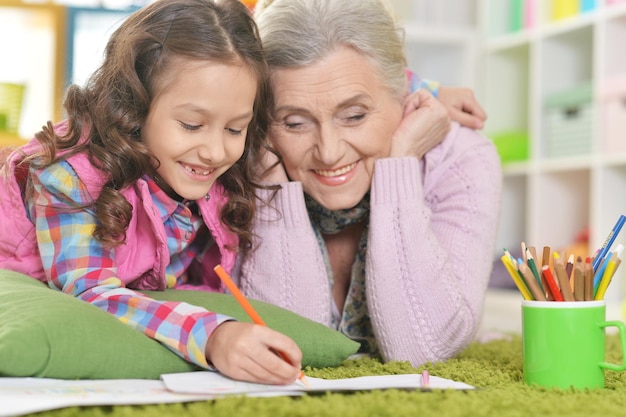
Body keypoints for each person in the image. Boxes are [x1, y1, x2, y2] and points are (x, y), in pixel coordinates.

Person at [0, 0, 302, 385]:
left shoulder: (205, 180)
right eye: (192, 125)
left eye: (235, 129)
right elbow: (89, 292)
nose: (215, 151)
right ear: (134, 108)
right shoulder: (68, 174)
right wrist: (214, 335)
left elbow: (194, 283)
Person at [235, 0, 503, 368]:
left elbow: (425, 350)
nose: (329, 153)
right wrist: (267, 179)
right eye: (295, 122)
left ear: (404, 95)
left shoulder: (461, 157)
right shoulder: (235, 159)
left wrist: (400, 166)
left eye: (354, 116)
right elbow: (290, 348)